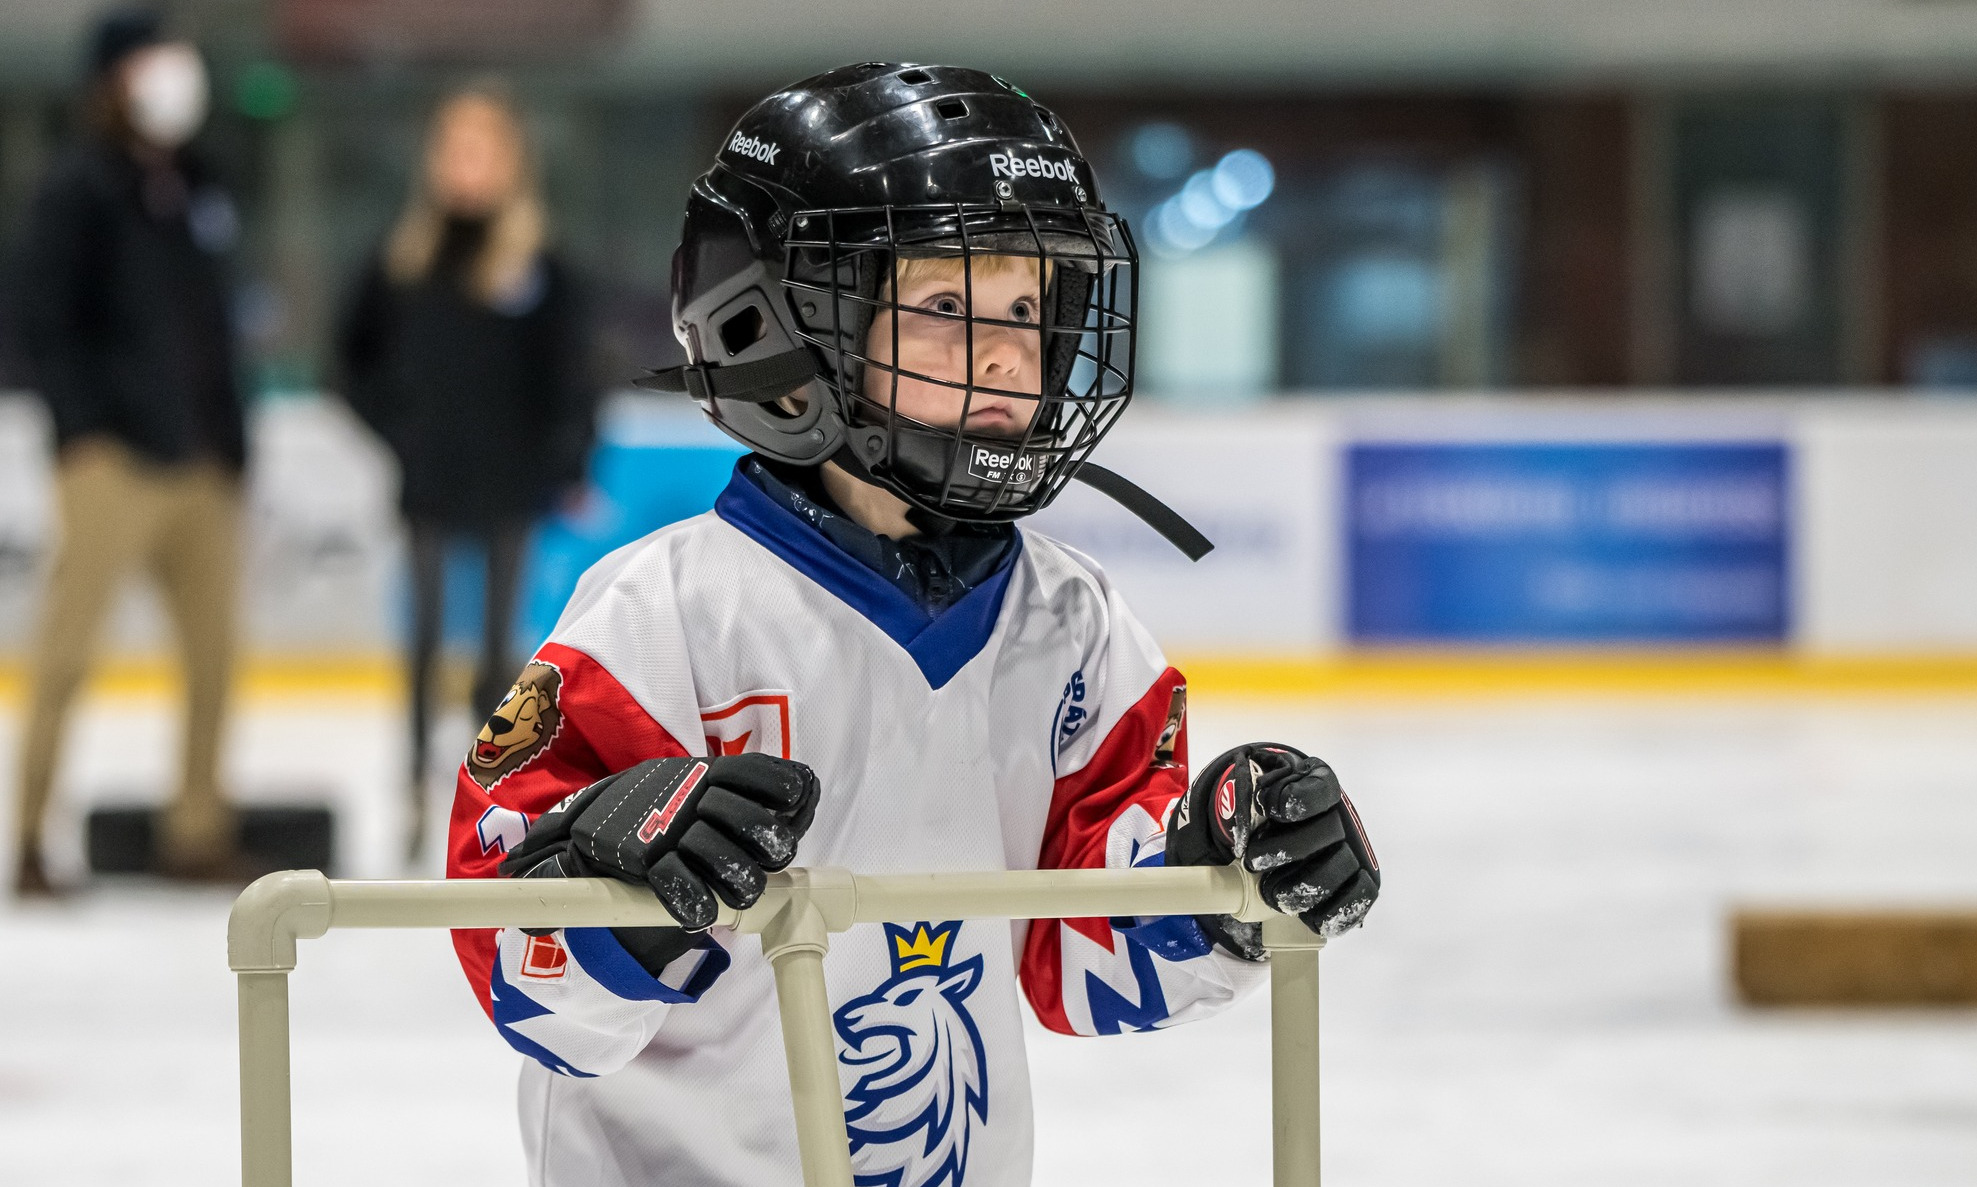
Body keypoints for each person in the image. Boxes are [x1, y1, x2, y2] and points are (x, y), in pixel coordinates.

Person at [446, 64, 1380, 1186]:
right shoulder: (669, 610)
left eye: (1029, 308)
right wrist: (609, 866)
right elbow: (525, 981)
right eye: (947, 307)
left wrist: (1223, 873)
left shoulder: (1072, 623)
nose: (1005, 354)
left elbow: (1081, 958)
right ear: (775, 328)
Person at [10, 9, 246, 896]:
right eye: (153, 59)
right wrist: (84, 431)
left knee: (216, 658)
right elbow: (39, 320)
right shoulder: (75, 188)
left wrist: (232, 443)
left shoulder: (197, 187)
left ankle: (197, 832)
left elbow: (215, 327)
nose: (174, 75)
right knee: (66, 654)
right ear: (112, 79)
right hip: (112, 462)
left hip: (203, 465)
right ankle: (29, 839)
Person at [335, 84, 597, 860]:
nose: (468, 162)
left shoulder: (542, 265)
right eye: (455, 147)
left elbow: (573, 375)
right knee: (420, 648)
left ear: (511, 162)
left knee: (498, 658)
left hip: (512, 483)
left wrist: (565, 459)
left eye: (483, 146)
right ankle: (414, 790)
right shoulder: (401, 260)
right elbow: (352, 360)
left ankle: (491, 799)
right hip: (430, 479)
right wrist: (399, 432)